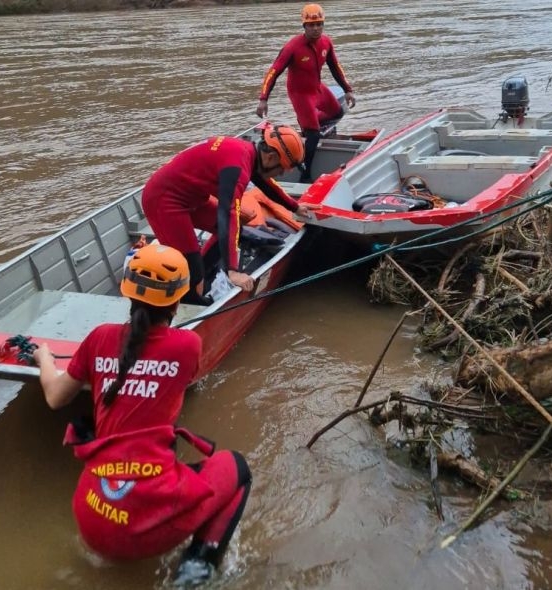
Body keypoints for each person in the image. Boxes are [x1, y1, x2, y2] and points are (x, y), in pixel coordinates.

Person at [32, 243, 251, 587]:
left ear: (126, 292)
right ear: (177, 302)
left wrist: (43, 358)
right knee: (237, 468)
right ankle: (196, 570)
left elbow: (55, 398)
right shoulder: (187, 345)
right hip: (143, 526)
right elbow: (178, 373)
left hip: (91, 517)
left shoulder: (99, 337)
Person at [141, 124, 319, 304]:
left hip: (191, 199)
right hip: (164, 201)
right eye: (281, 169)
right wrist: (232, 271)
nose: (280, 174)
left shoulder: (247, 153)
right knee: (191, 270)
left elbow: (265, 184)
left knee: (227, 234)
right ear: (271, 157)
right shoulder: (237, 167)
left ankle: (202, 274)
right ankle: (188, 302)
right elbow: (227, 214)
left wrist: (295, 207)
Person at [256, 3, 356, 183]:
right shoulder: (292, 47)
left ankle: (309, 126)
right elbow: (273, 72)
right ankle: (306, 173)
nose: (316, 28)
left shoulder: (326, 42)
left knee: (338, 112)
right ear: (304, 26)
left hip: (317, 88)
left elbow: (335, 67)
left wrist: (348, 89)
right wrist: (263, 99)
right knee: (314, 135)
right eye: (311, 25)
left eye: (319, 24)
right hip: (300, 94)